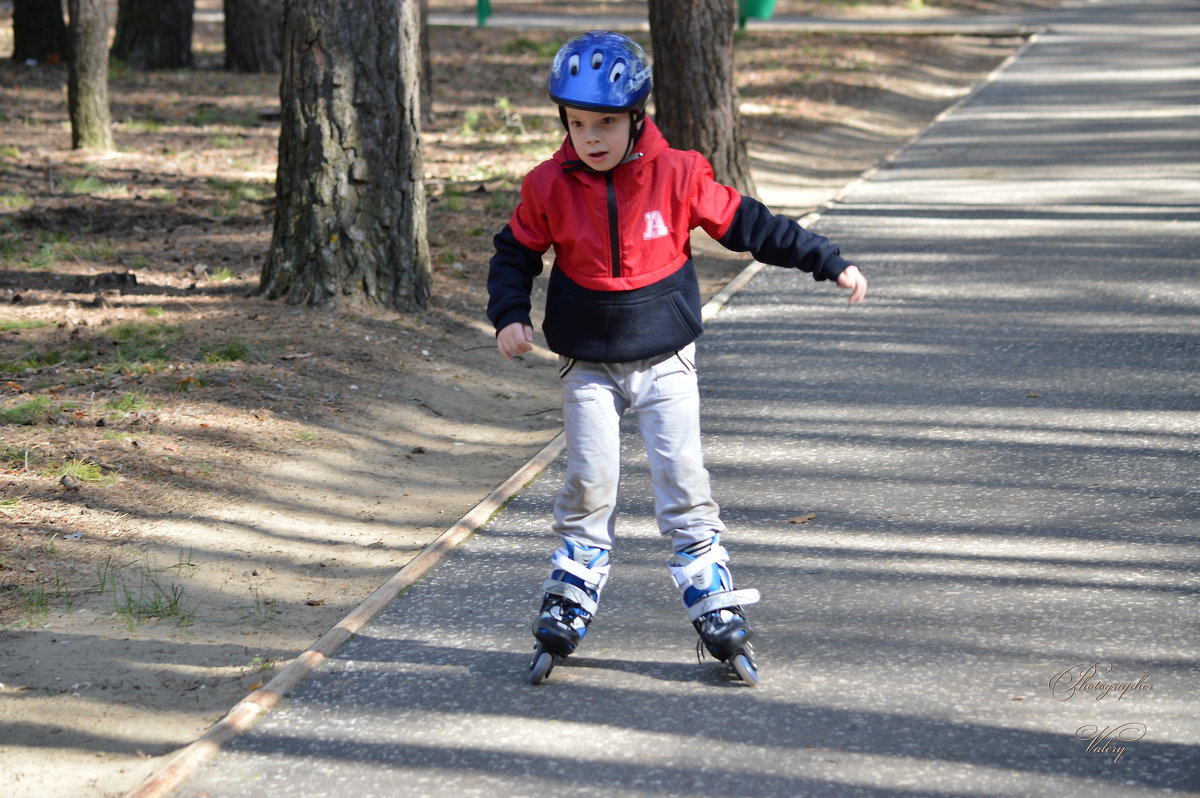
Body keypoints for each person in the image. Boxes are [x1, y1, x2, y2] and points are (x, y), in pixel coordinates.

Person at [487, 31, 867, 684]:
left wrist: (825, 260)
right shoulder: (547, 185)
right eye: (577, 124)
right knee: (590, 478)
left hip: (665, 359)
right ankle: (574, 583)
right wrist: (510, 314)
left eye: (605, 123)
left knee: (681, 476)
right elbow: (513, 252)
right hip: (588, 365)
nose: (591, 137)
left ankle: (708, 587)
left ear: (637, 118)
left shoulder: (678, 174)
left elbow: (753, 226)